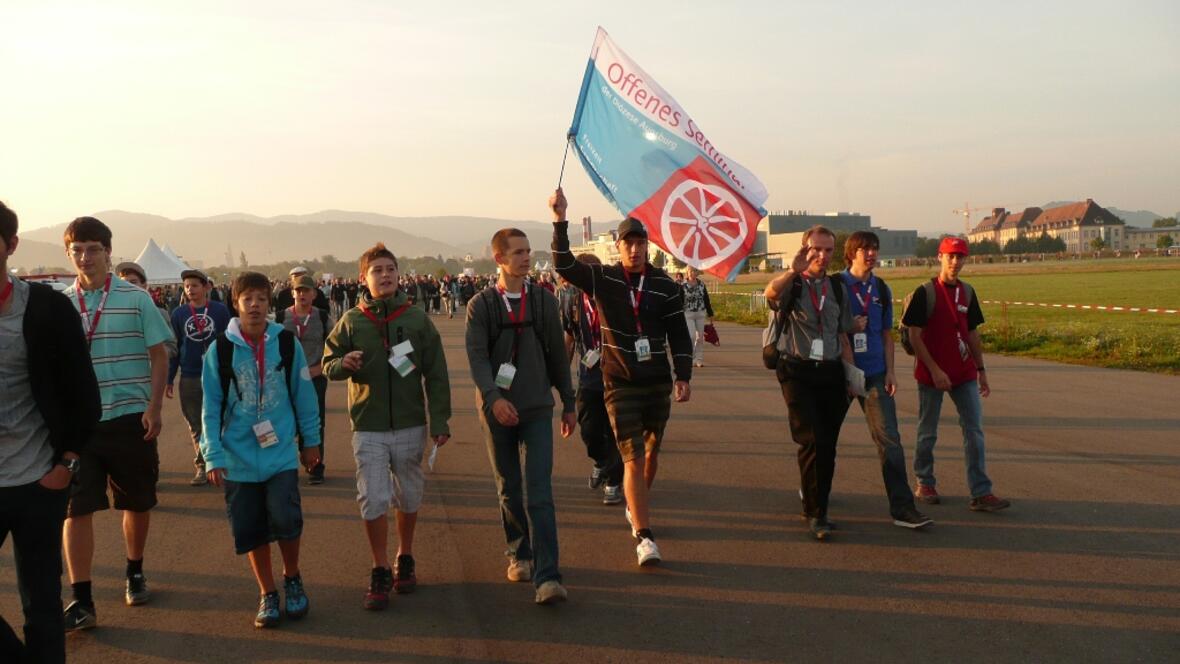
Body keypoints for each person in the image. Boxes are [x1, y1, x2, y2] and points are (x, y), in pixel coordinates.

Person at [550, 188, 693, 566]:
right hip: (619, 381)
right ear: (618, 246)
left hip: (657, 381)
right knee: (632, 456)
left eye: (640, 243)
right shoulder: (604, 278)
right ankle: (644, 536)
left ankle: (636, 504)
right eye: (627, 243)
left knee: (651, 453)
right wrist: (560, 219)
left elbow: (679, 332)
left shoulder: (665, 285)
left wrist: (684, 375)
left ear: (648, 246)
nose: (634, 250)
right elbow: (564, 265)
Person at [322, 244, 450, 610]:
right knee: (373, 497)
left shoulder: (417, 319)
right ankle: (379, 566)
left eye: (390, 268)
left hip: (411, 423)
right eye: (377, 270)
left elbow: (437, 374)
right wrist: (342, 363)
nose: (385, 275)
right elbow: (328, 363)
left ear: (399, 274)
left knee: (408, 495)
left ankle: (404, 556)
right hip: (368, 424)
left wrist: (440, 420)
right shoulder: (351, 320)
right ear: (364, 278)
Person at [60, 216, 173, 630]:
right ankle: (82, 599)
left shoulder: (136, 298)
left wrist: (155, 407)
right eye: (77, 251)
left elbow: (159, 354)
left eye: (93, 249)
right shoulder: (61, 304)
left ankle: (135, 570)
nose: (85, 258)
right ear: (68, 255)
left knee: (137, 501)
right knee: (76, 510)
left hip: (130, 418)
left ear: (109, 252)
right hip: (81, 426)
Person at [0, 202, 100, 664]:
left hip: (39, 477)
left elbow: (83, 395)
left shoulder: (45, 309)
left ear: (11, 246)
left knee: (41, 601)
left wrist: (67, 464)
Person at [200, 271, 322, 628]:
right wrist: (212, 455)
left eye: (261, 299)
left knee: (285, 517)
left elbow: (304, 395)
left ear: (271, 304)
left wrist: (310, 440)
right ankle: (267, 592)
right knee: (250, 527)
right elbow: (210, 407)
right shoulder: (220, 349)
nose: (254, 306)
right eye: (247, 299)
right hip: (237, 456)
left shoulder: (286, 343)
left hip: (280, 450)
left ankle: (293, 578)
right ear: (236, 305)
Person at [465, 228, 575, 605]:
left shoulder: (543, 302)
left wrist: (570, 402)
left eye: (529, 251)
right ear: (499, 258)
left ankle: (548, 577)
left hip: (537, 407)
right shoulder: (481, 305)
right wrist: (493, 398)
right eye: (518, 252)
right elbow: (478, 359)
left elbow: (558, 357)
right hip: (496, 412)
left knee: (540, 493)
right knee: (508, 487)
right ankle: (519, 551)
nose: (527, 258)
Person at [901, 237, 1010, 512]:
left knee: (974, 432)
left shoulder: (968, 292)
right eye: (950, 256)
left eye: (960, 256)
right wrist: (935, 370)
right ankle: (925, 482)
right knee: (928, 431)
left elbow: (972, 333)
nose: (955, 261)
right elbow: (914, 336)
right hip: (931, 374)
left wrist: (981, 370)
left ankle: (980, 492)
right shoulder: (925, 292)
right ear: (939, 257)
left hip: (963, 373)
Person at [763, 225, 855, 541]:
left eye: (829, 250)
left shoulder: (838, 289)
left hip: (829, 371)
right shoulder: (794, 283)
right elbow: (770, 294)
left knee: (825, 444)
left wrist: (851, 375)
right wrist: (792, 271)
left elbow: (843, 334)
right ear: (805, 248)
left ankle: (815, 501)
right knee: (812, 439)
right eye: (816, 248)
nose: (822, 255)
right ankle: (818, 514)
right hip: (796, 370)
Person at [838, 232, 932, 529]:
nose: (871, 254)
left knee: (890, 440)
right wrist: (849, 329)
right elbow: (830, 330)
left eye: (874, 249)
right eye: (864, 249)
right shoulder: (836, 285)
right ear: (851, 253)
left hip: (876, 373)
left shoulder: (880, 287)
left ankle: (902, 508)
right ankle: (813, 494)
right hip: (840, 373)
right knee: (823, 438)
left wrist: (891, 371)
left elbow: (886, 335)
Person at [561, 254, 624, 506]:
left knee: (614, 432)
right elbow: (569, 337)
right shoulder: (573, 301)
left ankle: (613, 481)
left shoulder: (614, 298)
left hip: (617, 377)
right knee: (589, 432)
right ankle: (600, 462)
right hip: (588, 378)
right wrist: (561, 373)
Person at [166, 269, 231, 486]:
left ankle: (221, 460)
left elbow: (229, 342)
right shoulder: (178, 314)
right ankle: (202, 465)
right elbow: (175, 348)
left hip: (217, 373)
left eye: (195, 285)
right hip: (190, 376)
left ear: (206, 287)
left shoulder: (220, 311)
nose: (190, 290)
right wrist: (169, 379)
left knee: (221, 418)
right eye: (186, 286)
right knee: (195, 423)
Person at [276, 275, 331, 485]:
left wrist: (319, 368)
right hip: (286, 379)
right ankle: (285, 464)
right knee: (285, 421)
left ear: (314, 294)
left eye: (306, 291)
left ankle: (316, 465)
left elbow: (334, 347)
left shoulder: (323, 317)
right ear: (292, 293)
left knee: (316, 422)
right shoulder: (280, 318)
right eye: (298, 291)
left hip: (315, 377)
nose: (302, 294)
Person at [115, 262, 179, 361]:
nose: (128, 286)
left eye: (133, 282)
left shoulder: (159, 314)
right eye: (124, 283)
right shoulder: (112, 314)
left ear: (144, 285)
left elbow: (172, 348)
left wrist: (146, 354)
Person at [681, 267, 715, 368]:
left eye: (694, 271)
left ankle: (698, 359)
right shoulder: (682, 285)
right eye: (690, 271)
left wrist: (710, 313)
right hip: (688, 313)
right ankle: (690, 358)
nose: (692, 273)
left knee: (700, 337)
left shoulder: (701, 284)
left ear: (697, 273)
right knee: (691, 336)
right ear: (687, 272)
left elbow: (706, 299)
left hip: (700, 313)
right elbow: (678, 301)